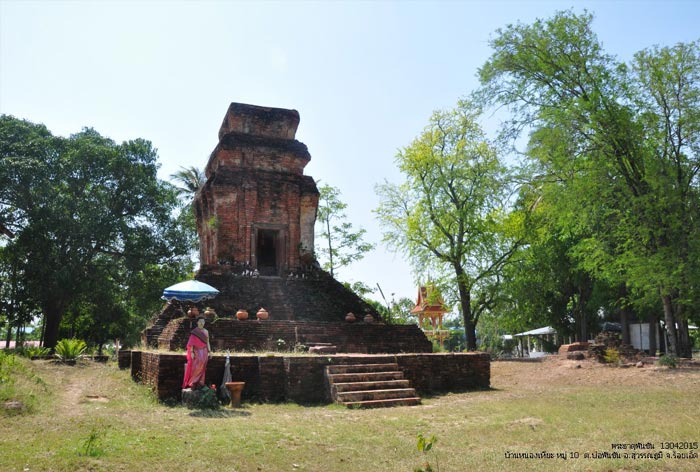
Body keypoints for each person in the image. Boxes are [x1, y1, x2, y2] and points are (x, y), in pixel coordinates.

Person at [182, 316, 212, 389]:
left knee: (203, 366)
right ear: (197, 322)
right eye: (200, 321)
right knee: (196, 366)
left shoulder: (206, 331)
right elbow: (191, 343)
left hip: (204, 350)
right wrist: (192, 352)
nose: (202, 323)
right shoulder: (195, 332)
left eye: (203, 322)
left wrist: (210, 351)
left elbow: (207, 342)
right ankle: (193, 382)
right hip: (196, 351)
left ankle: (200, 382)